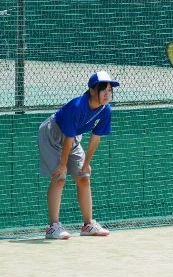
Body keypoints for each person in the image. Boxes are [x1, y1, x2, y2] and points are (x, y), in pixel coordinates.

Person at [38, 71, 119, 240]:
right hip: (52, 134)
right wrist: (63, 164)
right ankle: (53, 227)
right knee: (60, 177)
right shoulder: (77, 106)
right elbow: (67, 137)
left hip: (72, 138)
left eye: (110, 90)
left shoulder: (106, 110)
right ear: (91, 90)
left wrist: (86, 163)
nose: (107, 93)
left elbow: (96, 137)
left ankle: (88, 225)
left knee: (84, 177)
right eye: (103, 89)